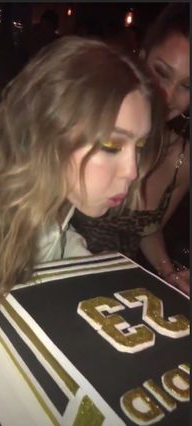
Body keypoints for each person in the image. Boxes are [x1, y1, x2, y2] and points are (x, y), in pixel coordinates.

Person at [0, 36, 164, 422]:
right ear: (47, 126)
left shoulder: (53, 191)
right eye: (110, 144)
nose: (133, 171)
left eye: (138, 147)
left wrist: (95, 273)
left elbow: (54, 243)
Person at [71, 4, 190, 295]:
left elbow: (148, 228)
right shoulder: (91, 122)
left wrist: (168, 272)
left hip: (117, 289)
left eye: (186, 86)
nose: (167, 95)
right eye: (161, 73)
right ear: (142, 58)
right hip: (55, 270)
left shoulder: (183, 159)